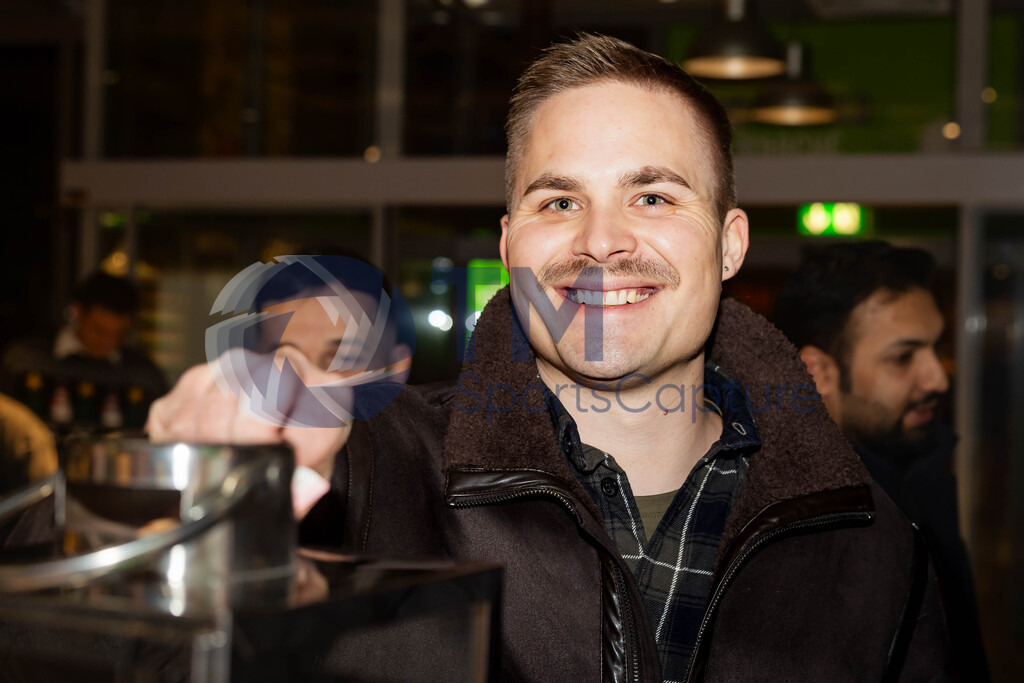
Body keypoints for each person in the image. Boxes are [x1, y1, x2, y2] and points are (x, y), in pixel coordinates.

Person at [148, 35, 951, 680]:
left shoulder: (873, 542)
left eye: (654, 196)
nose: (600, 240)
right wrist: (171, 495)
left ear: (729, 243)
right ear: (509, 245)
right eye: (559, 200)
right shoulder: (363, 472)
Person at [774, 240, 989, 681]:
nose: (937, 378)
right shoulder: (794, 533)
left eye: (935, 348)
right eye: (903, 356)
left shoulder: (915, 483)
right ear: (818, 374)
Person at [0, 271, 167, 431]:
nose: (109, 342)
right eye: (99, 331)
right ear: (78, 312)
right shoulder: (24, 361)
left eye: (119, 334)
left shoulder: (145, 377)